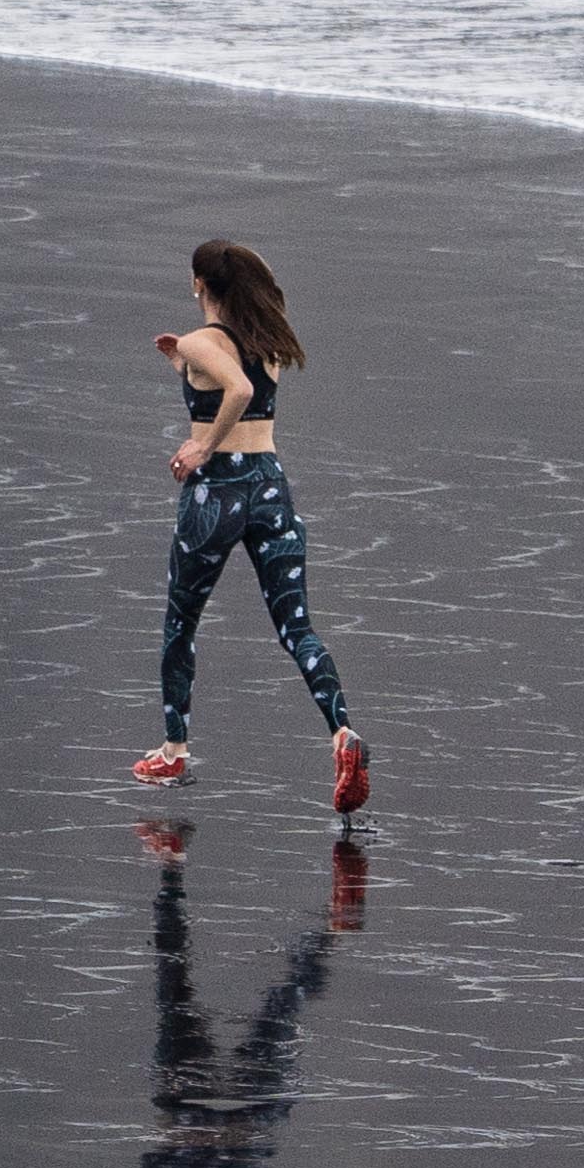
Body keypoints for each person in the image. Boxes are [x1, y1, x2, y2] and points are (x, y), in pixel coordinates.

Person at [131, 237, 369, 815]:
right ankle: (342, 733)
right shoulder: (268, 344)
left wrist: (200, 450)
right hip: (269, 486)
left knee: (180, 625)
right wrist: (182, 366)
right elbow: (242, 385)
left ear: (199, 284)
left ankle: (173, 752)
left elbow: (230, 390)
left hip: (217, 493)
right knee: (297, 627)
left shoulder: (202, 340)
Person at [135, 817, 363, 1168]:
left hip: (204, 1107)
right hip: (229, 1108)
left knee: (184, 987)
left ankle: (172, 869)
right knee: (229, 996)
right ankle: (329, 926)